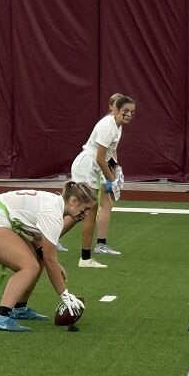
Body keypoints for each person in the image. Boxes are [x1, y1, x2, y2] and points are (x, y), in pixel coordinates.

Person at [0, 182, 95, 331]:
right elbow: (50, 259)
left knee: (37, 261)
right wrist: (65, 295)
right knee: (29, 266)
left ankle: (19, 308)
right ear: (73, 201)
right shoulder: (53, 213)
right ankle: (1, 317)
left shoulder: (54, 205)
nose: (86, 214)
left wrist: (55, 264)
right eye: (85, 209)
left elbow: (39, 245)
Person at [71, 93, 136, 268]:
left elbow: (108, 155)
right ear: (115, 110)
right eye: (126, 111)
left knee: (83, 211)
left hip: (92, 167)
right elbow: (100, 157)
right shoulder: (108, 126)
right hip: (87, 166)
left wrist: (117, 169)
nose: (129, 115)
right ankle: (84, 258)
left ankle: (82, 256)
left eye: (132, 112)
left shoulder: (117, 125)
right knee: (85, 211)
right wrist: (112, 179)